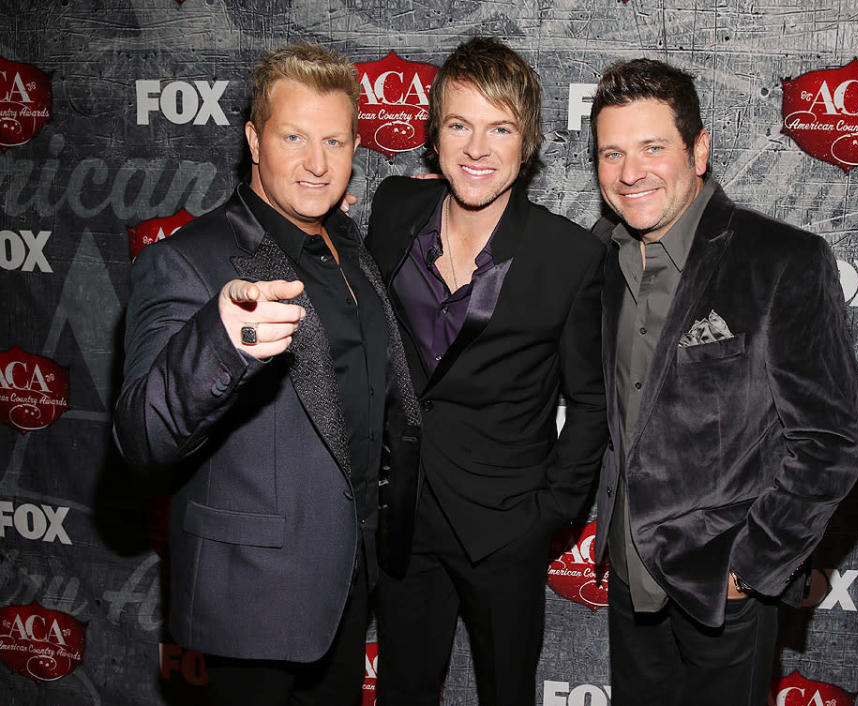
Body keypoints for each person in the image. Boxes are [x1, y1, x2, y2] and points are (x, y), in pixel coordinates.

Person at [113, 44, 420, 706]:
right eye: (294, 137)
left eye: (334, 140)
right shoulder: (189, 262)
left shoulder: (346, 243)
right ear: (254, 138)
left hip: (343, 585)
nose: (317, 162)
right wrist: (219, 344)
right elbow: (139, 435)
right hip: (252, 605)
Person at [589, 58, 858, 706]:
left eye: (653, 147)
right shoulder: (602, 254)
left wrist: (752, 563)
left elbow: (833, 436)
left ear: (700, 150)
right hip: (630, 581)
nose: (631, 173)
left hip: (722, 583)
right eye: (612, 153)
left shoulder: (779, 260)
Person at [365, 36, 608, 706]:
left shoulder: (571, 257)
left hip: (505, 529)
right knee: (401, 693)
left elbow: (591, 403)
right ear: (433, 137)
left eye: (499, 129)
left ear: (526, 143)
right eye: (459, 126)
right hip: (404, 517)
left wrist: (548, 515)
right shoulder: (391, 211)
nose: (477, 150)